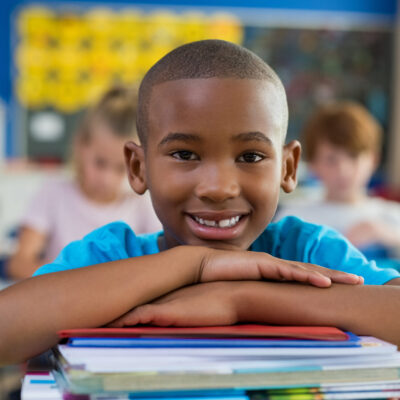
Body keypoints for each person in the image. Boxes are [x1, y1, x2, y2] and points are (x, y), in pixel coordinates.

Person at [1, 40, 400, 367]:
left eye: (250, 156)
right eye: (185, 155)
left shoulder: (305, 250)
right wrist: (194, 265)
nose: (219, 188)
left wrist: (240, 298)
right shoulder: (112, 257)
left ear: (288, 168)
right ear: (138, 168)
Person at [6, 86, 162, 280]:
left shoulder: (140, 204)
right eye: (100, 163)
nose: (107, 179)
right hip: (61, 300)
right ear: (80, 146)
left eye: (120, 169)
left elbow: (160, 266)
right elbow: (19, 263)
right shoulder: (52, 193)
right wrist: (76, 283)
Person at [275, 101, 400, 263]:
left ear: (373, 159)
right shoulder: (293, 218)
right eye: (331, 159)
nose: (344, 171)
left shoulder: (391, 217)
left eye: (354, 157)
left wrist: (388, 235)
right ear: (313, 164)